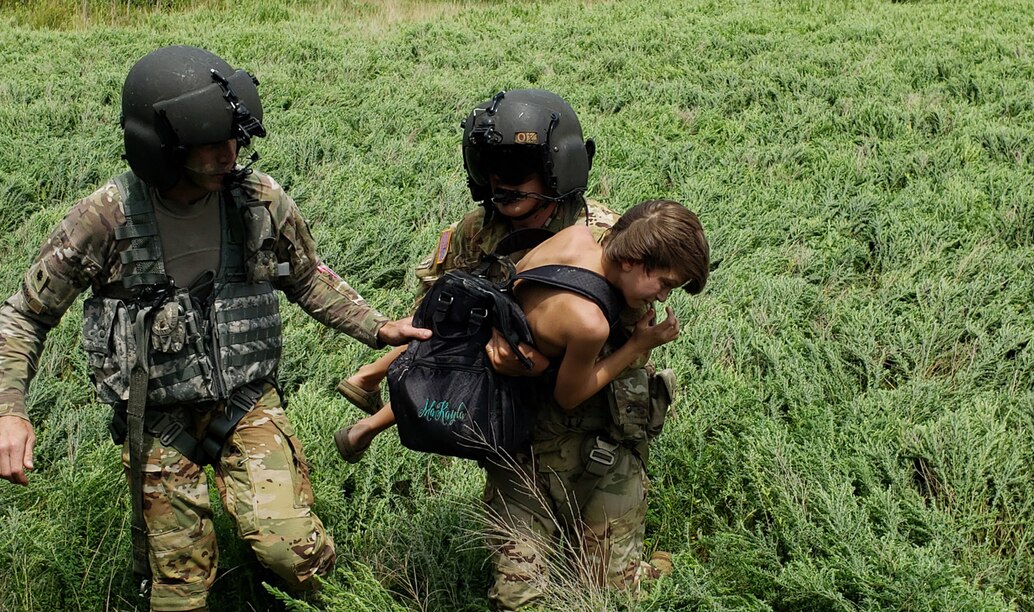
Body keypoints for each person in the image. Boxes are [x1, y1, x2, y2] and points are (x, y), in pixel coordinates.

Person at [0, 45, 428, 612]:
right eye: (212, 144)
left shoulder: (260, 202)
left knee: (291, 552)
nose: (231, 155)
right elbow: (25, 314)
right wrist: (9, 409)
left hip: (247, 401)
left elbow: (306, 277)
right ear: (164, 148)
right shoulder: (104, 219)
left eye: (236, 140)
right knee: (180, 586)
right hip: (155, 415)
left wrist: (378, 328)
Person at [333, 91, 706, 608]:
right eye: (492, 166)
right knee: (517, 598)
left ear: (558, 168)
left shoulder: (608, 236)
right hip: (522, 442)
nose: (502, 181)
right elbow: (440, 322)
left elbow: (630, 345)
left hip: (602, 429)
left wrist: (547, 357)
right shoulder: (474, 234)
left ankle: (629, 563)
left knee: (607, 593)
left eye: (520, 168)